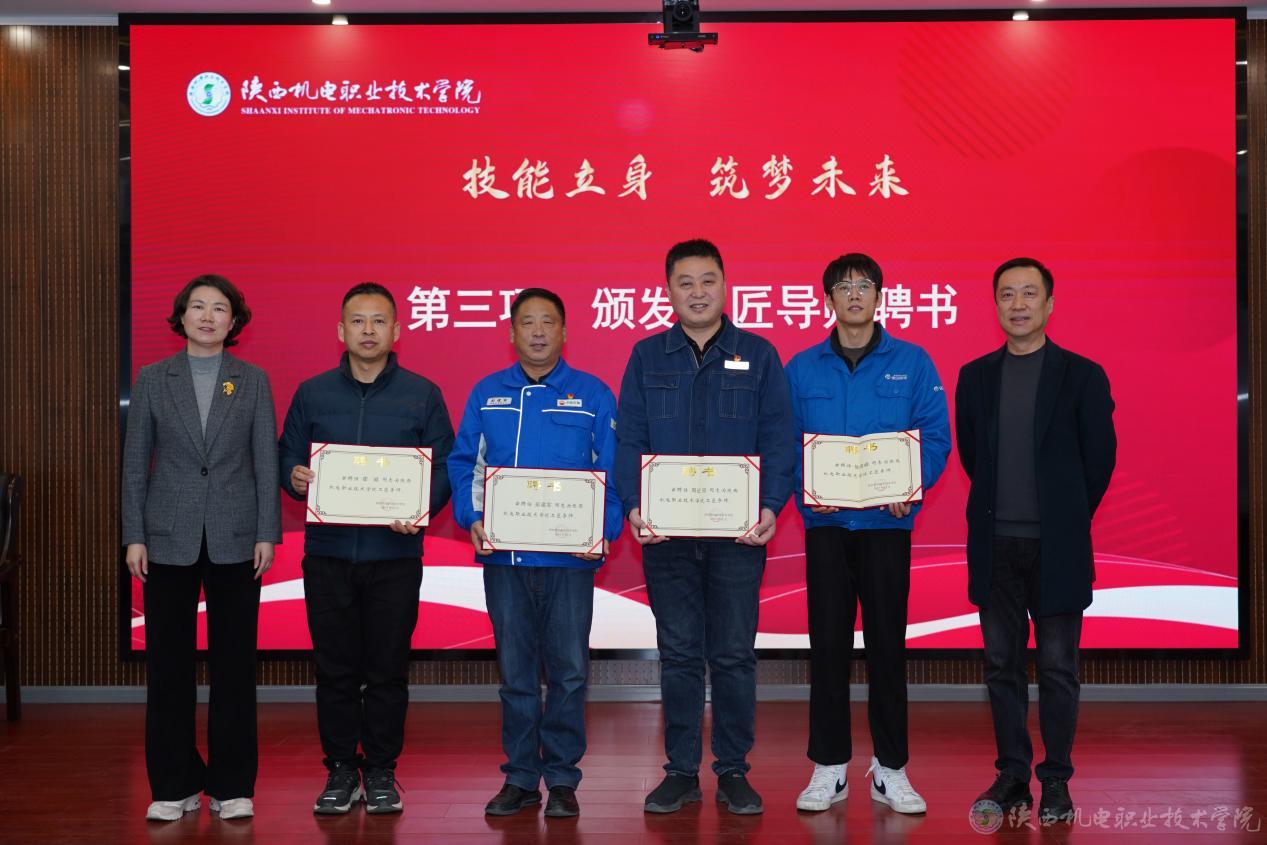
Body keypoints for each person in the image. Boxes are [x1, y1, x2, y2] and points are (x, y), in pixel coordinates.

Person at [614, 239, 796, 816]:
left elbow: (778, 437)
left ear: (725, 285)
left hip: (737, 536)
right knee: (679, 655)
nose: (698, 292)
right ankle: (681, 771)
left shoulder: (758, 354)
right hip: (666, 537)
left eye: (708, 280)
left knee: (735, 655)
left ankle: (734, 770)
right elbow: (630, 438)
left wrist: (770, 505)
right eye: (685, 282)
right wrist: (634, 505)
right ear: (669, 291)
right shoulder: (647, 356)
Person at [278, 282, 454, 815]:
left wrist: (419, 507)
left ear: (397, 330)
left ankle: (380, 770)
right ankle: (339, 768)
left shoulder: (422, 394)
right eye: (358, 321)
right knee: (333, 670)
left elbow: (445, 467)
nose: (369, 330)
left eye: (379, 321)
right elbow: (286, 455)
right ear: (341, 330)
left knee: (387, 670)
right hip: (328, 554)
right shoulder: (312, 393)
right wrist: (296, 476)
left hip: (394, 557)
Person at [784, 253, 950, 815]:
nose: (854, 294)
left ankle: (890, 768)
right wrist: (805, 488)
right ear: (827, 299)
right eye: (842, 286)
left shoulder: (913, 361)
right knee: (828, 648)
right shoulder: (802, 368)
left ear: (880, 296)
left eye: (864, 285)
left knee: (887, 649)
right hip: (827, 526)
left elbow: (935, 437)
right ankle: (829, 766)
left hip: (886, 525)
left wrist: (912, 485)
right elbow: (784, 442)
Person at [448, 288, 623, 820]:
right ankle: (521, 777)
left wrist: (603, 529)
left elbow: (612, 471)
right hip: (506, 560)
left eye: (549, 322)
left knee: (569, 672)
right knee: (517, 674)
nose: (539, 331)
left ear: (564, 332)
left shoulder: (592, 394)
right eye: (528, 322)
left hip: (570, 562)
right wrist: (472, 517)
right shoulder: (487, 393)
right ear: (512, 333)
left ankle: (563, 778)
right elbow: (464, 462)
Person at [956, 258, 1116, 825]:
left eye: (1029, 293)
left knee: (1056, 668)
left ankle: (1056, 780)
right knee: (1001, 665)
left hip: (1058, 548)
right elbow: (973, 457)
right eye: (1007, 294)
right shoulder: (975, 377)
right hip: (996, 546)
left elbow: (1099, 461)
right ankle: (1012, 775)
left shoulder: (1082, 376)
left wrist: (1064, 517)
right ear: (995, 305)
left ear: (1049, 303)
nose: (1018, 304)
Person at [122, 274, 281, 822]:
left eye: (219, 308)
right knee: (169, 668)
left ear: (234, 321)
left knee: (234, 667)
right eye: (198, 307)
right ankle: (174, 785)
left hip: (237, 537)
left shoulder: (252, 380)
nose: (208, 316)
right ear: (182, 316)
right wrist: (134, 534)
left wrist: (267, 531)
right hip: (167, 536)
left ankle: (233, 785)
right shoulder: (152, 378)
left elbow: (266, 460)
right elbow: (135, 462)